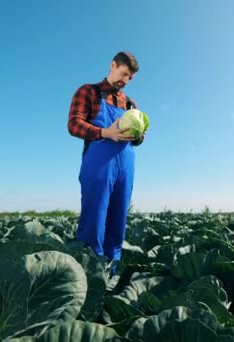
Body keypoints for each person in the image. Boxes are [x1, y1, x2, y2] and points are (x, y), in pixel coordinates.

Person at [67, 51, 145, 275]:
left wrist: (140, 133)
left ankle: (111, 276)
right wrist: (104, 132)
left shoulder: (129, 104)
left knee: (118, 221)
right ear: (113, 65)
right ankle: (88, 277)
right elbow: (74, 125)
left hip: (125, 167)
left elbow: (138, 141)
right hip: (98, 164)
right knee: (94, 219)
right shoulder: (88, 92)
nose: (126, 81)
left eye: (130, 78)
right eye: (124, 74)